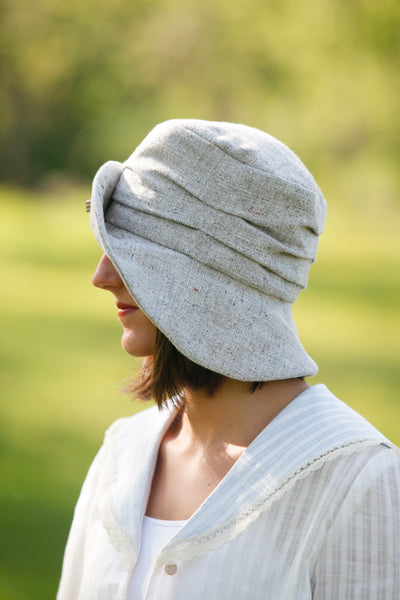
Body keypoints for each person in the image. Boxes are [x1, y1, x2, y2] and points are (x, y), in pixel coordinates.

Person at [57, 119, 400, 599]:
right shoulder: (123, 454)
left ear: (212, 276)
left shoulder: (359, 482)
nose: (101, 276)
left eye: (135, 253)